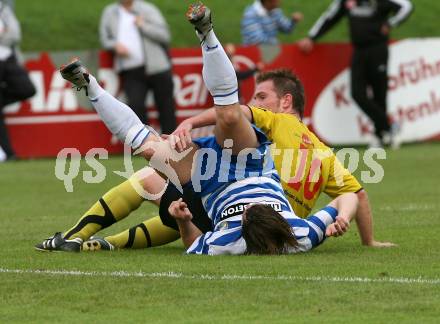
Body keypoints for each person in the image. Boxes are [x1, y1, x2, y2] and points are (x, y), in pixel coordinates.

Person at [36, 2, 359, 255]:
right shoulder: (301, 235)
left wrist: (183, 220)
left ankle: (89, 85)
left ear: (242, 224)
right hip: (256, 168)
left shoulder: (228, 242)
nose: (248, 209)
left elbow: (192, 245)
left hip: (210, 185)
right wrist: (342, 217)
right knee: (230, 116)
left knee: (149, 148)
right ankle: (206, 33)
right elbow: (345, 199)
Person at [298, 0, 413, 148]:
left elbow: (407, 6)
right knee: (357, 94)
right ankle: (389, 127)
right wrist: (311, 37)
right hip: (359, 51)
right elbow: (330, 17)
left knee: (380, 93)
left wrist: (391, 23)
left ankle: (381, 135)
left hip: (378, 48)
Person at [100, 0, 176, 134]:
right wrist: (114, 46)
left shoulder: (147, 9)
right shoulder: (110, 12)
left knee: (166, 108)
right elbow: (105, 39)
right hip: (131, 70)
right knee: (136, 108)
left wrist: (143, 25)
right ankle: (146, 145)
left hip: (158, 67)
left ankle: (172, 144)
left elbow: (165, 35)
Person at [0, 1, 36, 161]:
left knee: (28, 89)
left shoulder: (3, 8)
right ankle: (8, 153)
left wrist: (4, 33)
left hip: (7, 58)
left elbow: (14, 34)